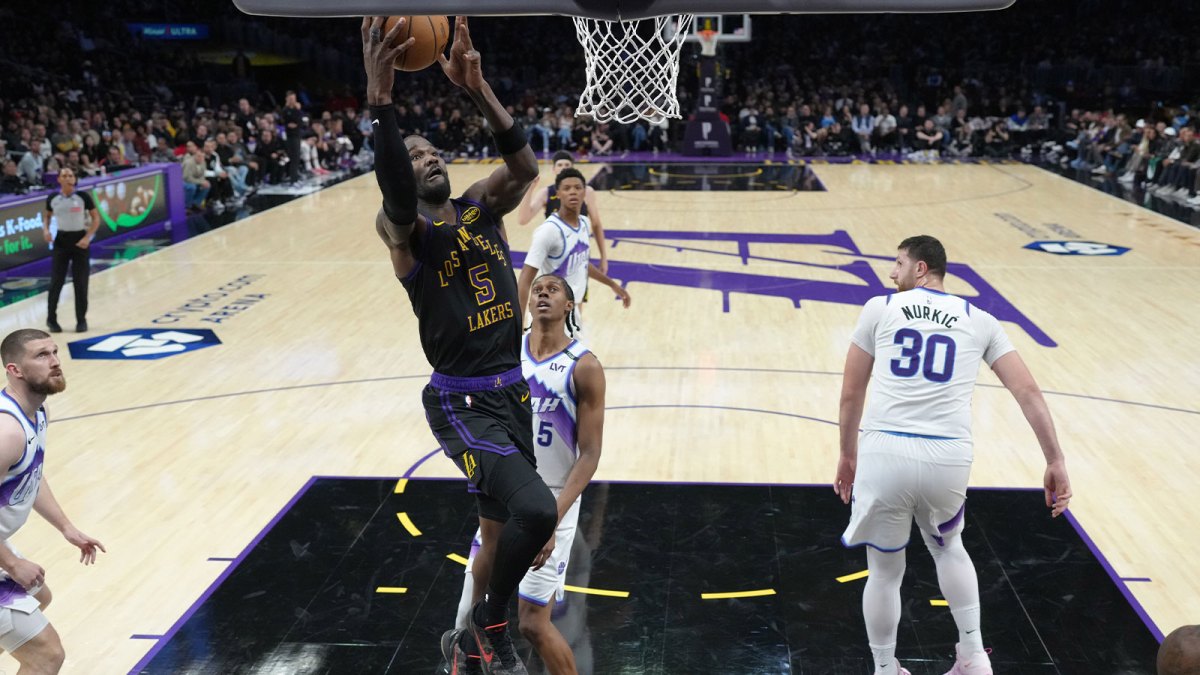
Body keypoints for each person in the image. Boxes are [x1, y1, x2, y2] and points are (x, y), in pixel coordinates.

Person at [362, 16, 551, 675]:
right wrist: (381, 103)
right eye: (415, 157)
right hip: (462, 403)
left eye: (432, 150)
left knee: (509, 527)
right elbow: (390, 190)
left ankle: (468, 645)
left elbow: (525, 165)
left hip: (510, 388)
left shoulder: (478, 205)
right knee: (538, 506)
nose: (430, 157)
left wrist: (477, 86)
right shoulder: (405, 232)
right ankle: (489, 628)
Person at [835, 235, 1072, 675]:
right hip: (948, 457)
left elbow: (851, 394)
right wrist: (1055, 459)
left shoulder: (879, 309)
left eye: (898, 263)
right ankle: (974, 657)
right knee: (949, 550)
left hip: (886, 451)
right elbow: (1028, 392)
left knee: (885, 572)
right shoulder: (980, 319)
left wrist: (848, 455)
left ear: (921, 268)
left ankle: (886, 668)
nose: (892, 272)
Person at [453, 274, 606, 675]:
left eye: (553, 289)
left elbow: (590, 455)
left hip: (554, 497)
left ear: (569, 305)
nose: (542, 292)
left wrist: (550, 517)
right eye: (538, 288)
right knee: (469, 614)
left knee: (532, 623)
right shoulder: (505, 356)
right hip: (506, 493)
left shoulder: (584, 366)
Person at [0, 329, 106, 674]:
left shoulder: (37, 413)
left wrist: (66, 527)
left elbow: (30, 474)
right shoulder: (8, 431)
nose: (56, 362)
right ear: (15, 369)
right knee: (46, 655)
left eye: (55, 352)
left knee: (39, 596)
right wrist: (12, 564)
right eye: (42, 356)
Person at [517, 168, 629, 334]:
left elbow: (581, 263)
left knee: (583, 359)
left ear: (585, 193)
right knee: (584, 360)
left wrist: (612, 284)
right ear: (558, 193)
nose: (573, 192)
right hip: (547, 315)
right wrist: (518, 325)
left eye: (577, 188)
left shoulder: (584, 223)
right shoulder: (548, 231)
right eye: (567, 188)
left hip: (571, 311)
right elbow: (524, 282)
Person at [516, 151, 609, 274]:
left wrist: (604, 257)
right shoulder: (546, 193)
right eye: (560, 165)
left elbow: (596, 225)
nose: (563, 168)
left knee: (578, 291)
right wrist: (529, 189)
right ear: (554, 169)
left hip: (578, 253)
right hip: (554, 254)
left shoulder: (587, 192)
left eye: (567, 165)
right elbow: (523, 219)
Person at [40, 168, 100, 334]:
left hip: (80, 240)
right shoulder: (53, 198)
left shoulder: (83, 197)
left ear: (75, 179)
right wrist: (46, 230)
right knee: (56, 282)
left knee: (81, 282)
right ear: (59, 179)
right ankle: (51, 319)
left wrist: (87, 237)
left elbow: (96, 218)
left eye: (71, 175)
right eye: (64, 176)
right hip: (61, 241)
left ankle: (81, 320)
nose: (68, 178)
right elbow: (47, 217)